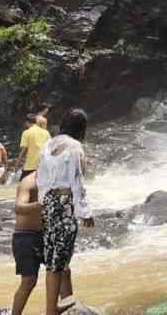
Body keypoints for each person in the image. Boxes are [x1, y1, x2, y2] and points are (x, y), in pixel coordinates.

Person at [36, 108, 94, 315]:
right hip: (65, 203)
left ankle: (66, 302)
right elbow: (77, 180)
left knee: (56, 257)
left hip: (49, 203)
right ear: (81, 128)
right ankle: (51, 311)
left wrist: (44, 203)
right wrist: (85, 212)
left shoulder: (48, 144)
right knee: (58, 263)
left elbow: (40, 179)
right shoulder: (75, 146)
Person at [10, 171, 72, 315]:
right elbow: (18, 208)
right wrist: (41, 205)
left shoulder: (58, 179)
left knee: (63, 270)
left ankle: (69, 309)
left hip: (47, 234)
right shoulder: (29, 182)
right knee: (29, 281)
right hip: (26, 236)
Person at [15, 114, 52, 180]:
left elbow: (23, 151)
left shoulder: (26, 133)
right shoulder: (46, 133)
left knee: (24, 187)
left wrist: (17, 164)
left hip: (31, 167)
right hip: (44, 166)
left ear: (27, 122)